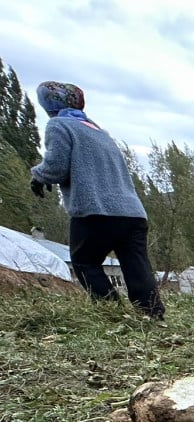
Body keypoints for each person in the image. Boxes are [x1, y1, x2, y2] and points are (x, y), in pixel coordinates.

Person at [29, 81, 164, 319]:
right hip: (132, 213)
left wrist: (38, 176)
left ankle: (112, 312)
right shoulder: (98, 131)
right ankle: (152, 314)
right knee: (136, 265)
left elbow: (56, 167)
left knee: (85, 262)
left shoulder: (59, 125)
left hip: (96, 210)